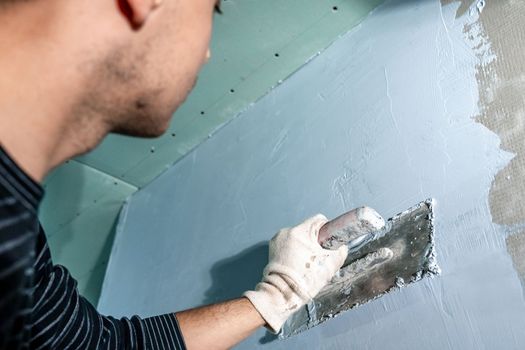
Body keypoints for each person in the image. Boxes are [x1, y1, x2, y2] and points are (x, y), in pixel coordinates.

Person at [0, 0, 349, 349]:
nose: (207, 54)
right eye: (214, 9)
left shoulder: (19, 243)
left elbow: (94, 346)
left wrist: (276, 297)